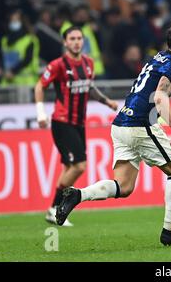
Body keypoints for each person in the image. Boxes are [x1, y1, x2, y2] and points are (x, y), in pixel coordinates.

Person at [55, 24, 171, 246]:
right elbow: (160, 96)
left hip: (121, 124)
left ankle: (78, 195)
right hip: (139, 125)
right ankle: (170, 231)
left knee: (124, 186)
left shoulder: (158, 57)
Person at [34, 26, 118, 226]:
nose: (76, 42)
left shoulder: (89, 63)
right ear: (65, 42)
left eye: (79, 38)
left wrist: (107, 101)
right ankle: (55, 207)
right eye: (72, 38)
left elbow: (89, 88)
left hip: (79, 123)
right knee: (79, 166)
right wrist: (40, 112)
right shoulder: (58, 65)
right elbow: (39, 86)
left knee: (70, 167)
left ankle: (55, 211)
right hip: (62, 122)